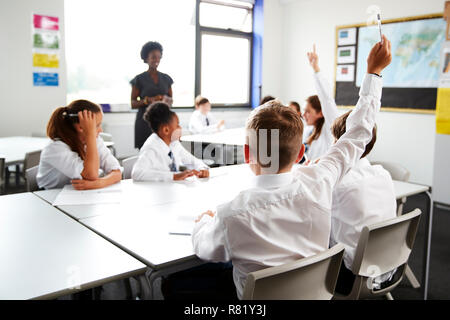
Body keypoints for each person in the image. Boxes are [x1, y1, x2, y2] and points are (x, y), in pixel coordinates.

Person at [191, 36, 392, 299]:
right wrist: (373, 73)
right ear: (300, 153)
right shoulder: (320, 180)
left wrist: (203, 222)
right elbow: (359, 132)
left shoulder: (231, 214)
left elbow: (204, 248)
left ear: (248, 153)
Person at [329, 110, 397, 294]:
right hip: (388, 268)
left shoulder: (338, 184)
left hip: (351, 277)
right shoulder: (383, 174)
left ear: (340, 143)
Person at [37, 100, 122, 190]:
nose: (101, 130)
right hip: (50, 196)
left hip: (78, 195)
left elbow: (117, 171)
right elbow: (91, 175)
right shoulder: (55, 148)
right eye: (97, 126)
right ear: (81, 127)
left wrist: (99, 183)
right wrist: (90, 135)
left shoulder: (95, 140)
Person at [132, 102, 210, 182]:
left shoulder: (174, 143)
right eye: (177, 125)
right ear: (166, 130)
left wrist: (202, 168)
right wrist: (173, 176)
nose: (180, 128)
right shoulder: (151, 148)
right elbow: (137, 173)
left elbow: (192, 161)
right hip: (159, 190)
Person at [130, 41, 173, 150]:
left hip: (163, 121)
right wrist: (148, 100)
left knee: (163, 151)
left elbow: (171, 100)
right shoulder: (139, 79)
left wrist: (165, 99)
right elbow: (133, 103)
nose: (157, 60)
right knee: (145, 152)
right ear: (146, 58)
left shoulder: (166, 78)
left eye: (159, 57)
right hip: (144, 122)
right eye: (153, 57)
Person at [302, 44, 340, 161]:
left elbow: (327, 99)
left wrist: (316, 68)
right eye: (304, 111)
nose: (303, 115)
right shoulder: (309, 130)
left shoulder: (329, 128)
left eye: (308, 111)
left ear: (321, 113)